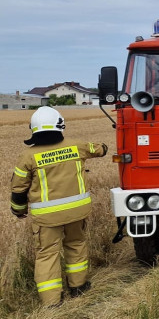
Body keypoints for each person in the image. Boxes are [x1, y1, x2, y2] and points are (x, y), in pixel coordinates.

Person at [10, 107, 108, 307]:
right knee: (76, 245)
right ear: (60, 125)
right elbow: (100, 149)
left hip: (47, 219)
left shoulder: (28, 156)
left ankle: (52, 301)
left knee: (47, 254)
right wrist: (104, 146)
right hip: (77, 212)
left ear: (33, 129)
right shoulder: (75, 146)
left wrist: (18, 210)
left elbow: (18, 189)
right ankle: (78, 287)